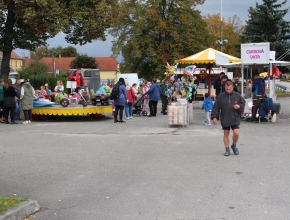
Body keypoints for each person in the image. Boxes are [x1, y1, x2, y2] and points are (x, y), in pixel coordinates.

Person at [211, 81, 245, 156]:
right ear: (224, 88)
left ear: (232, 87)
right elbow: (216, 107)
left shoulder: (238, 95)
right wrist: (214, 117)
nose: (228, 91)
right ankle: (227, 149)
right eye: (226, 89)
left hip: (235, 117)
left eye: (229, 89)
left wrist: (239, 106)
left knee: (236, 133)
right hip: (225, 117)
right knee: (226, 133)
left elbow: (243, 104)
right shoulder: (220, 96)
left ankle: (234, 145)